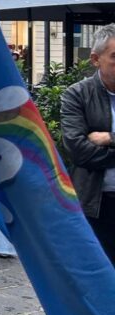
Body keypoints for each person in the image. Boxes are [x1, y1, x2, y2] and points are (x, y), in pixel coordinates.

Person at [61, 23, 115, 265]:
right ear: (95, 59)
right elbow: (78, 151)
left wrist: (109, 138)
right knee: (99, 271)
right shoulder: (77, 95)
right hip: (97, 202)